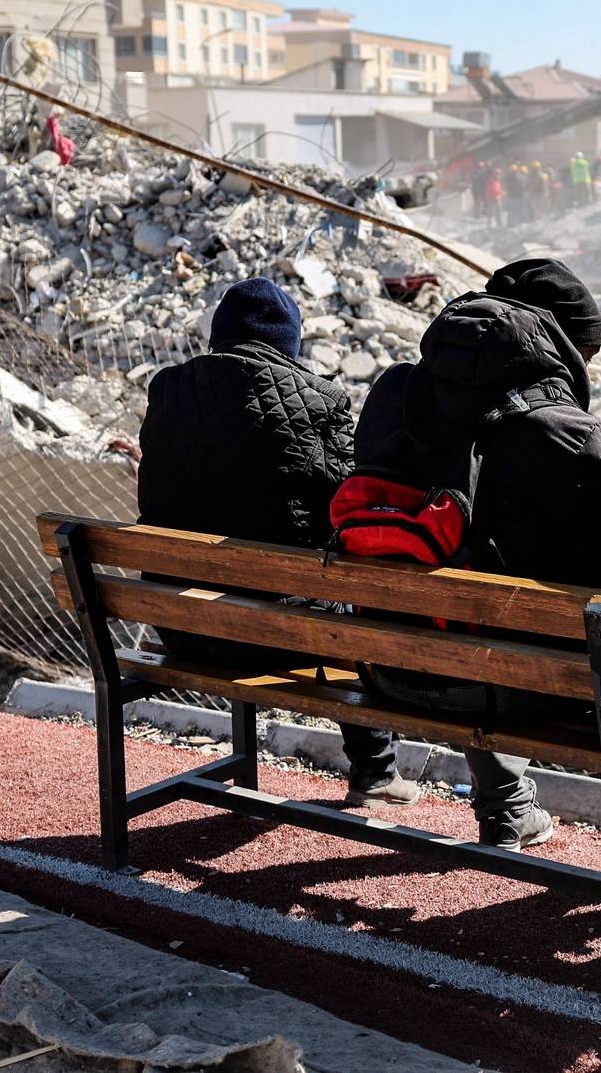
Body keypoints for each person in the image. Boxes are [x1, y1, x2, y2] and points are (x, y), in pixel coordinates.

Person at [351, 259, 601, 849]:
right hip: (514, 690)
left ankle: (507, 803)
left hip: (382, 665)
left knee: (476, 602)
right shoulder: (567, 434)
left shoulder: (392, 393)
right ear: (561, 345)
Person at [138, 278, 419, 810]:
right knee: (353, 600)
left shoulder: (167, 390)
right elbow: (344, 515)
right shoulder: (320, 399)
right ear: (289, 342)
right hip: (279, 636)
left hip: (180, 625)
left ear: (221, 335)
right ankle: (375, 771)